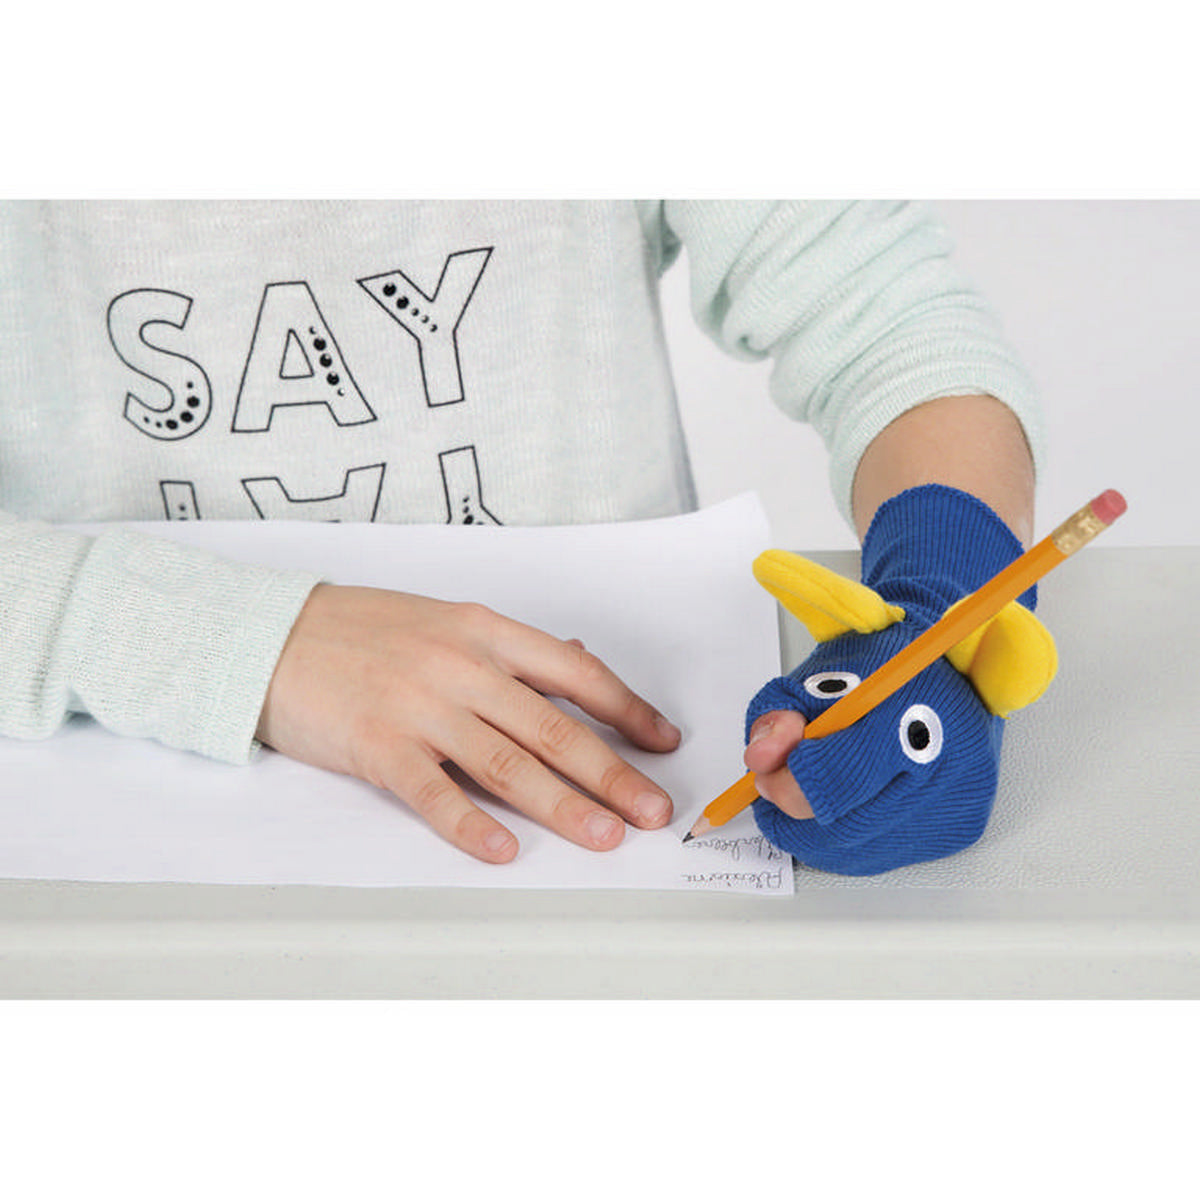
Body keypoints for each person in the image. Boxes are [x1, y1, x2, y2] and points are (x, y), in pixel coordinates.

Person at [0, 200, 1042, 872]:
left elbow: (890, 324)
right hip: (89, 769)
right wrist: (248, 645)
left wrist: (941, 608)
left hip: (616, 777)